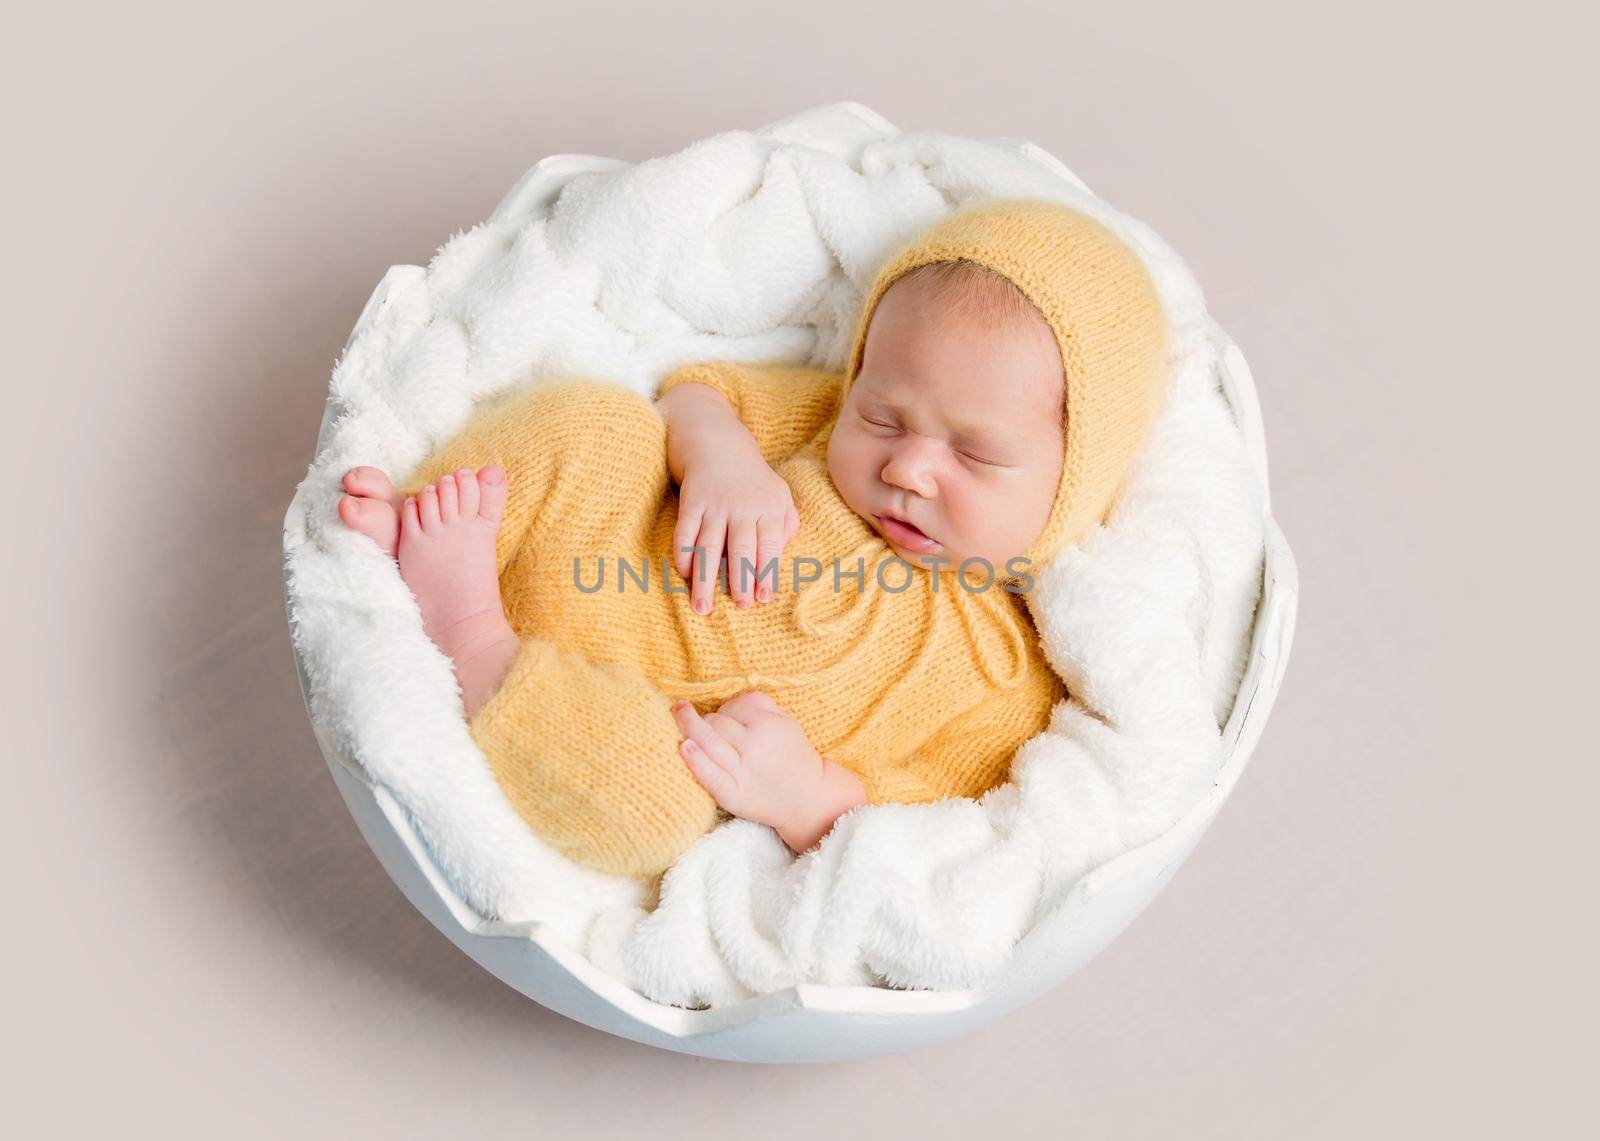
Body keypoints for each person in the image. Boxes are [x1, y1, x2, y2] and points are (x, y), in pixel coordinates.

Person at [337, 198, 1169, 879]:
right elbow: (698, 392)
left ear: (1073, 482)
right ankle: (417, 523)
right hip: (606, 553)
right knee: (600, 422)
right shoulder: (819, 419)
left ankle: (470, 637)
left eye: (975, 454)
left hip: (646, 726)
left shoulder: (1003, 674)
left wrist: (809, 795)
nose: (910, 466)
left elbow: (932, 809)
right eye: (882, 415)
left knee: (652, 806)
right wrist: (722, 456)